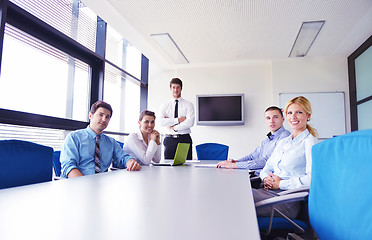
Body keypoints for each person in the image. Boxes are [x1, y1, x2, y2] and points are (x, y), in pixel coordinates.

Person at [253, 96, 319, 218]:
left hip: (286, 200)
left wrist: (280, 184)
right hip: (268, 192)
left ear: (308, 116)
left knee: (238, 201)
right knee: (235, 194)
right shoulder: (283, 142)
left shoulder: (310, 143)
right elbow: (266, 169)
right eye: (289, 113)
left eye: (299, 112)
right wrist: (266, 179)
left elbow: (312, 180)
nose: (293, 117)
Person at [60, 100, 141, 178]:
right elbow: (69, 167)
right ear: (90, 115)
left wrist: (130, 162)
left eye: (107, 117)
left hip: (101, 184)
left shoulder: (111, 142)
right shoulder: (74, 137)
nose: (104, 119)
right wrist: (84, 184)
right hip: (76, 184)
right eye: (100, 115)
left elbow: (123, 157)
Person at [216, 106, 290, 174]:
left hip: (268, 180)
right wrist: (237, 161)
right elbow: (252, 156)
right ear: (265, 121)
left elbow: (265, 161)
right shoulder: (268, 139)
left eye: (275, 117)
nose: (272, 121)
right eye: (268, 118)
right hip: (258, 175)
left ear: (283, 119)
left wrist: (234, 165)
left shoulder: (284, 137)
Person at [159, 78, 194, 160]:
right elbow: (161, 122)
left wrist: (174, 127)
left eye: (178, 87)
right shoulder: (165, 105)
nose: (176, 90)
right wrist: (178, 120)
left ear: (181, 88)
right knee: (169, 167)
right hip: (169, 139)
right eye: (173, 87)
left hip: (184, 139)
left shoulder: (188, 105)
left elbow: (190, 122)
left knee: (186, 166)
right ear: (170, 88)